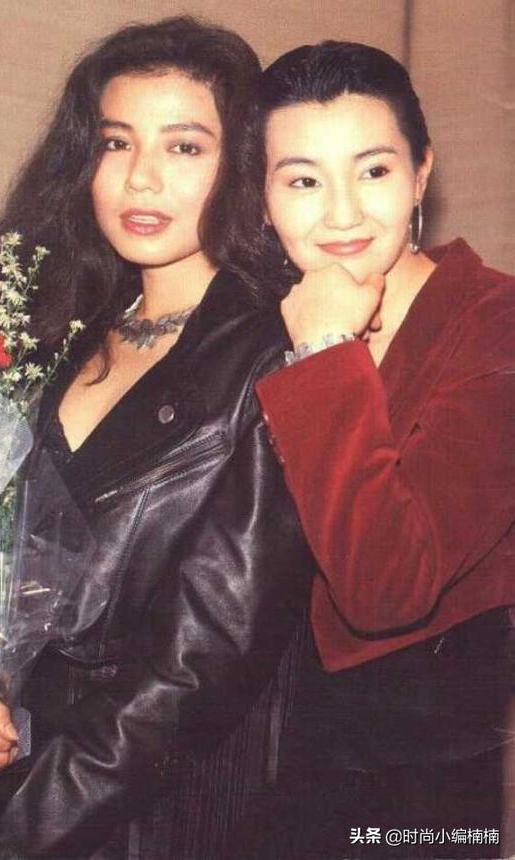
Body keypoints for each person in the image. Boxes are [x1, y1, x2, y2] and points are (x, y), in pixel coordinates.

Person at [0, 17, 313, 860]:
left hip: (151, 818)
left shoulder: (277, 359)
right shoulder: (48, 330)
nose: (141, 177)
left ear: (241, 165)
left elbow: (200, 666)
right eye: (117, 143)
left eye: (184, 147)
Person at [234, 40, 515, 859]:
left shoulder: (495, 324)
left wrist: (326, 352)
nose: (343, 215)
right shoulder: (254, 321)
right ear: (262, 198)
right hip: (246, 769)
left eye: (374, 171)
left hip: (413, 795)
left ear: (422, 174)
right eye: (303, 181)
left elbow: (387, 586)